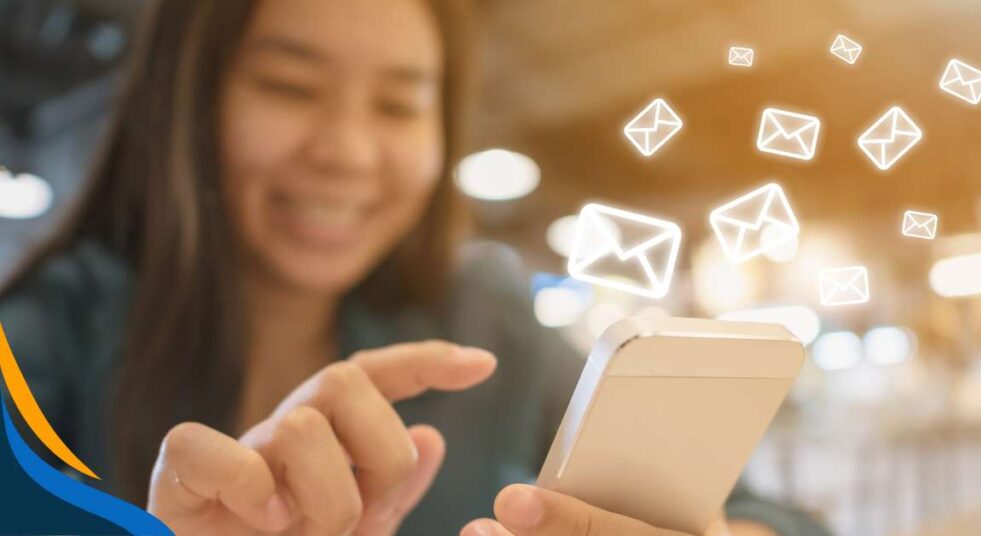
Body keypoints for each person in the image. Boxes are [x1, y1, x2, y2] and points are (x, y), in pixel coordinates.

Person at [0, 0, 831, 535]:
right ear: (189, 98)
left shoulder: (480, 315)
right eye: (290, 86)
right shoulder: (41, 343)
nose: (349, 153)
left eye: (399, 104)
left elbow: (778, 518)